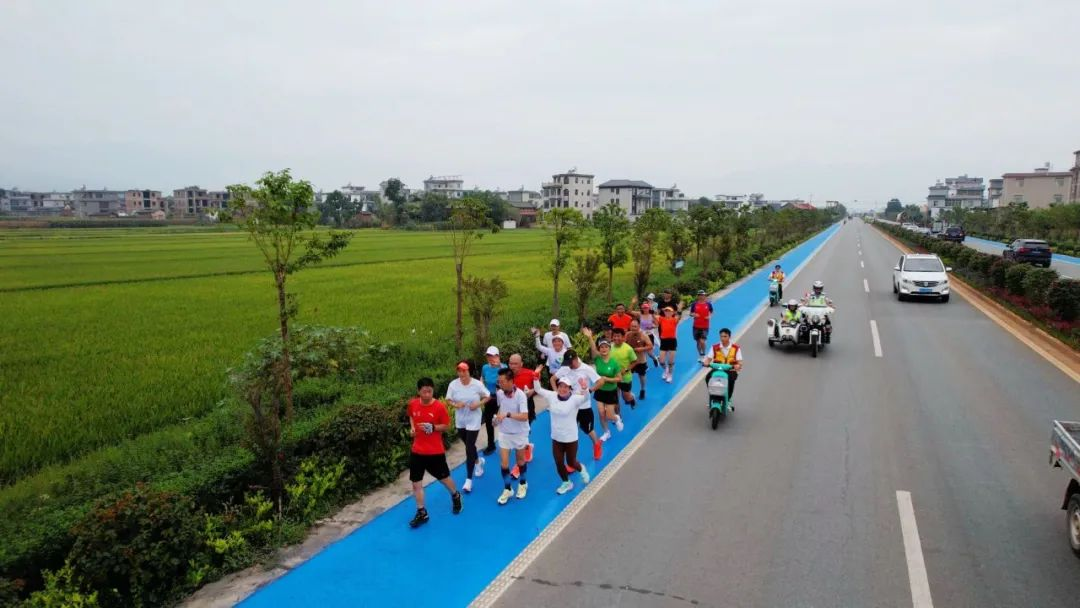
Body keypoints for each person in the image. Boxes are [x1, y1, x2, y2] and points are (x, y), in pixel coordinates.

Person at [407, 377, 463, 528]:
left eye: (430, 391)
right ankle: (422, 512)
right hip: (417, 451)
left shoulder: (439, 407)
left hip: (435, 452)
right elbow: (411, 416)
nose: (427, 395)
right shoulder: (413, 404)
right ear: (419, 391)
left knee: (444, 479)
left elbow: (446, 425)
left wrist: (433, 428)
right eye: (424, 392)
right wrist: (413, 428)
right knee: (416, 484)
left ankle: (456, 495)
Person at [532, 376, 592, 494]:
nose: (562, 389)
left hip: (570, 438)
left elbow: (586, 398)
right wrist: (535, 377)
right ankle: (566, 482)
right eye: (560, 386)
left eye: (565, 387)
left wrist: (585, 389)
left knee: (571, 462)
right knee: (559, 462)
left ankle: (581, 469)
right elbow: (538, 389)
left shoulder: (575, 399)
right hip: (556, 437)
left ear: (570, 389)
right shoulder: (552, 396)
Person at [446, 361, 490, 494]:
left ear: (469, 371)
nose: (462, 373)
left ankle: (468, 480)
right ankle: (478, 462)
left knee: (469, 447)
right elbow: (448, 400)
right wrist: (455, 405)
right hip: (461, 420)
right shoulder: (453, 385)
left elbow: (488, 396)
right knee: (469, 446)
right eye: (459, 371)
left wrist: (478, 404)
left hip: (474, 419)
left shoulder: (477, 384)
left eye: (464, 371)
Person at [552, 349, 605, 460]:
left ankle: (597, 445)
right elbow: (553, 379)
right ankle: (572, 460)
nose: (568, 366)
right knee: (570, 432)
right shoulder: (566, 367)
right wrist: (557, 393)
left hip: (584, 406)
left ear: (575, 359)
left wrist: (590, 390)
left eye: (570, 363)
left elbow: (601, 381)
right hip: (570, 406)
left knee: (588, 430)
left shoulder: (586, 369)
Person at [494, 368, 531, 505]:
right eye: (499, 381)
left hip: (519, 433)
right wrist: (497, 419)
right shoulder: (499, 394)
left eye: (502, 381)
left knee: (520, 461)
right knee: (504, 464)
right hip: (504, 433)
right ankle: (508, 488)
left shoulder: (520, 395)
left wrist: (508, 415)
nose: (500, 384)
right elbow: (500, 409)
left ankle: (522, 483)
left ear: (510, 381)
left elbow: (525, 416)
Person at [584, 334, 623, 441]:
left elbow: (619, 379)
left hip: (611, 391)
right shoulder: (597, 359)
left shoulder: (614, 363)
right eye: (601, 347)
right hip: (600, 390)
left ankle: (616, 418)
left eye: (606, 347)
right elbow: (592, 348)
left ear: (609, 349)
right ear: (599, 349)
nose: (604, 349)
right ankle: (607, 432)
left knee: (610, 415)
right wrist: (589, 337)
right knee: (601, 414)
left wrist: (607, 379)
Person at [508, 354, 542, 473]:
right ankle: (527, 446)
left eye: (515, 364)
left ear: (521, 364)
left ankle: (519, 464)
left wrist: (530, 392)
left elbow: (538, 389)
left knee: (523, 432)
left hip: (527, 407)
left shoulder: (529, 373)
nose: (512, 366)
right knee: (517, 433)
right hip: (512, 409)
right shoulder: (506, 375)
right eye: (510, 363)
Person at [702, 328, 743, 408]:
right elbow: (708, 359)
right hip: (717, 369)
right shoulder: (714, 347)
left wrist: (738, 366)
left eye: (725, 336)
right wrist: (706, 363)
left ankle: (728, 400)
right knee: (708, 378)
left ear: (729, 337)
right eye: (721, 336)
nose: (723, 338)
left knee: (730, 381)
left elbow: (740, 362)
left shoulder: (736, 348)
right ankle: (713, 396)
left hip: (730, 370)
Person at [480, 346, 506, 455]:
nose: (490, 358)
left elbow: (508, 379)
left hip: (502, 398)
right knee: (489, 423)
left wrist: (499, 366)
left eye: (493, 355)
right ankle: (491, 445)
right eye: (488, 355)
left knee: (504, 421)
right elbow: (482, 378)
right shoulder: (485, 367)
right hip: (489, 398)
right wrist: (481, 389)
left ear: (498, 356)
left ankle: (511, 441)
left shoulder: (503, 367)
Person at [625, 319, 654, 400]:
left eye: (635, 326)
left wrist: (641, 349)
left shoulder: (643, 335)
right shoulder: (627, 335)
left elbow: (650, 346)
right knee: (627, 376)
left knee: (641, 376)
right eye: (632, 326)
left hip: (640, 360)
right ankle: (628, 393)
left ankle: (642, 389)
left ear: (639, 326)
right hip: (630, 361)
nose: (633, 328)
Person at [632, 297, 661, 367]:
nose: (645, 309)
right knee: (642, 352)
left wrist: (652, 327)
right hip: (641, 335)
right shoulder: (639, 315)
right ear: (642, 308)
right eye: (644, 308)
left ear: (649, 308)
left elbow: (657, 324)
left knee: (649, 353)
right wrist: (632, 303)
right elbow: (630, 311)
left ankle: (654, 358)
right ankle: (645, 365)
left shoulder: (652, 315)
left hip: (649, 335)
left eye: (647, 308)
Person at [689, 289, 714, 359]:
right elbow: (690, 313)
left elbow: (712, 311)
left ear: (704, 295)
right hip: (696, 326)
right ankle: (700, 354)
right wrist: (694, 315)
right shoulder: (694, 304)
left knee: (702, 341)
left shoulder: (708, 304)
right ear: (698, 296)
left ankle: (704, 354)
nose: (701, 296)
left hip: (705, 326)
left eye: (702, 295)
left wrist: (709, 316)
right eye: (700, 295)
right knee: (698, 342)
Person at [657, 305, 679, 383]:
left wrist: (679, 310)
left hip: (672, 341)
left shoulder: (674, 320)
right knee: (661, 361)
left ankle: (670, 374)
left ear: (672, 313)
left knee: (670, 362)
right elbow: (654, 316)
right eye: (666, 311)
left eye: (669, 311)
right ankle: (666, 369)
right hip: (664, 341)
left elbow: (679, 316)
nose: (667, 312)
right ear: (664, 312)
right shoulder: (661, 319)